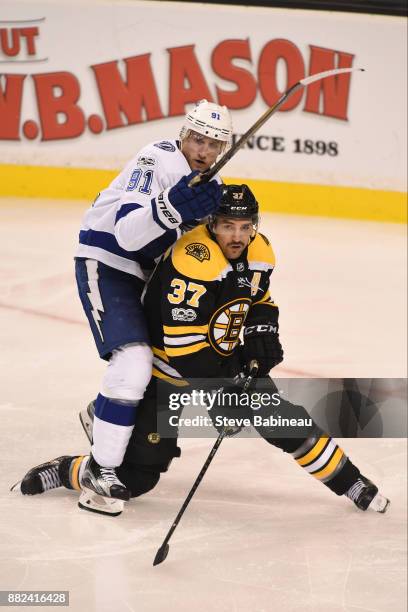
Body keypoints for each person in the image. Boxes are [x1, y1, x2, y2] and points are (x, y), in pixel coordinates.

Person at [13, 185, 390, 518]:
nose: (237, 236)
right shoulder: (193, 259)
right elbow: (185, 352)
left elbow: (259, 297)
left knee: (285, 422)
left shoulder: (260, 250)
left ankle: (352, 483)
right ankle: (68, 469)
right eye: (228, 225)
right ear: (212, 223)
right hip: (168, 373)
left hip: (220, 362)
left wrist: (262, 333)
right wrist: (225, 392)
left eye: (245, 227)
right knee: (137, 477)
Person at [73, 99, 233, 500]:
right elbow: (127, 234)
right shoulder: (156, 159)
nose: (204, 151)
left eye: (214, 145)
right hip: (108, 262)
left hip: (146, 277)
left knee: (162, 362)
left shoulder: (206, 188)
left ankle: (101, 412)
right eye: (198, 139)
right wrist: (170, 207)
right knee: (133, 362)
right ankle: (101, 468)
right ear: (183, 134)